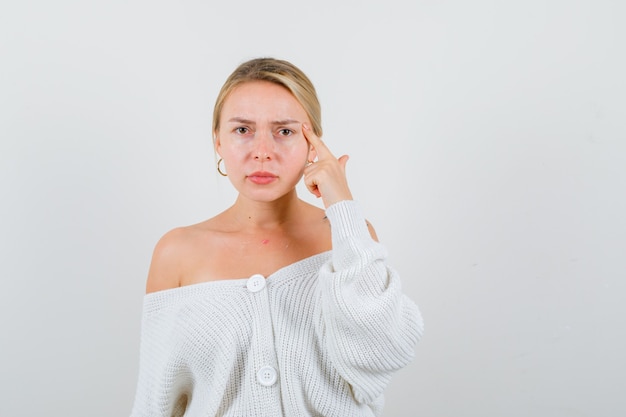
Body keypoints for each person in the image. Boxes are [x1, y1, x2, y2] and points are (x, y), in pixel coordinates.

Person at [129, 57, 423, 417]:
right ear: (218, 141)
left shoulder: (349, 240)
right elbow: (155, 402)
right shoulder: (177, 253)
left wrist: (342, 205)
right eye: (242, 130)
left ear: (312, 141)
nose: (262, 151)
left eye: (284, 131)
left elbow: (380, 354)